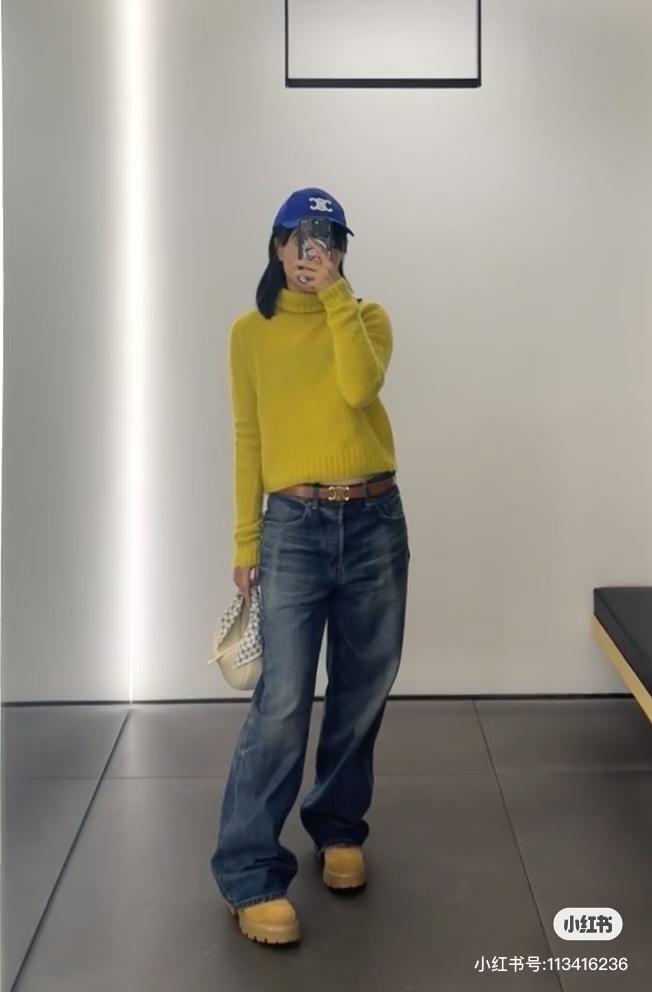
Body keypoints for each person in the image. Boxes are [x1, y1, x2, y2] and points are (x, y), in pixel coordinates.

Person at [210, 187, 410, 945]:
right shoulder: (249, 334)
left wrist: (335, 298)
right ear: (277, 245)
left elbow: (359, 387)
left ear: (341, 252)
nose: (311, 251)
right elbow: (248, 436)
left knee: (362, 691)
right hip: (292, 526)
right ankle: (249, 872)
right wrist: (244, 542)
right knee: (283, 701)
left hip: (375, 520)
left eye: (326, 240)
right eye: (299, 237)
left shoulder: (367, 318)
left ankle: (338, 827)